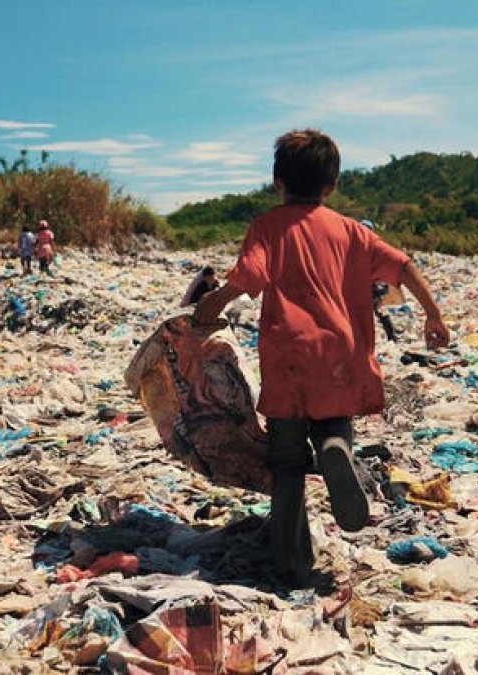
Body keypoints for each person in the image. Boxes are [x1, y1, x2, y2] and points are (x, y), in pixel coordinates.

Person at [193, 129, 449, 587]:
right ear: (331, 185)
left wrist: (213, 303)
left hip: (287, 353)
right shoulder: (351, 230)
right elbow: (404, 266)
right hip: (339, 353)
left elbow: (249, 276)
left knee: (287, 464)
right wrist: (434, 316)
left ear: (278, 181)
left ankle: (291, 561)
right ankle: (335, 449)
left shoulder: (268, 226)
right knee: (334, 424)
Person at [361, 221, 397, 342]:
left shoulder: (372, 247)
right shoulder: (370, 246)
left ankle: (391, 336)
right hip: (369, 286)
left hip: (373, 286)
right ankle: (390, 336)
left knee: (377, 312)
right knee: (377, 312)